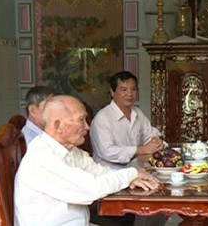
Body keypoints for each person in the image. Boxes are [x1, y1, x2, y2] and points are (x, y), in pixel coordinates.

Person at [14, 95, 160, 226]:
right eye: (81, 120)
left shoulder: (69, 150)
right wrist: (131, 174)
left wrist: (130, 178)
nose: (87, 127)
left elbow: (98, 171)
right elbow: (93, 188)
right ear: (58, 125)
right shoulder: (43, 158)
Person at [90, 71, 164, 170]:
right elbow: (108, 152)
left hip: (135, 171)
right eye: (124, 90)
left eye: (133, 89)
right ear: (112, 92)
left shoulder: (138, 113)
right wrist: (140, 150)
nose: (129, 94)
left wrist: (156, 142)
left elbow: (149, 135)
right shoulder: (102, 118)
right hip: (109, 175)